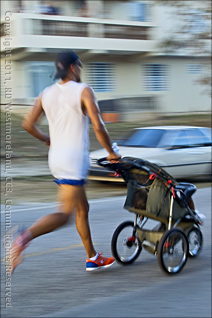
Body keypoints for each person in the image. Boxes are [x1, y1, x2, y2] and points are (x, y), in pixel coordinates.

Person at [7, 50, 121, 274]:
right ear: (73, 67)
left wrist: (47, 139)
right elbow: (98, 126)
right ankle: (23, 236)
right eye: (79, 65)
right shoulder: (83, 90)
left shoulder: (46, 93)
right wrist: (111, 153)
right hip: (73, 160)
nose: (80, 70)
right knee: (65, 214)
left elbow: (28, 124)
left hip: (56, 159)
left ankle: (92, 257)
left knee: (82, 207)